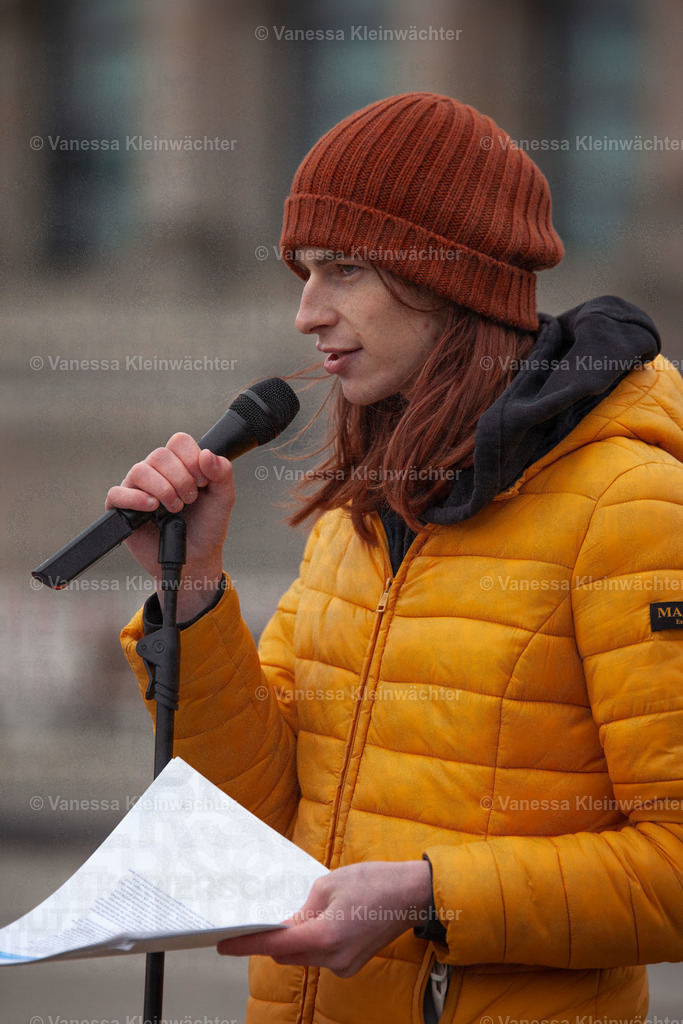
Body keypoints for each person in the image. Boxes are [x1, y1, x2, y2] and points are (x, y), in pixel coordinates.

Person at [108, 94, 683, 1024]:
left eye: (344, 270)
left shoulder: (631, 508)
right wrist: (195, 587)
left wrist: (424, 898)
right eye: (302, 272)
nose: (305, 313)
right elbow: (260, 810)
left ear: (451, 279)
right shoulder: (364, 509)